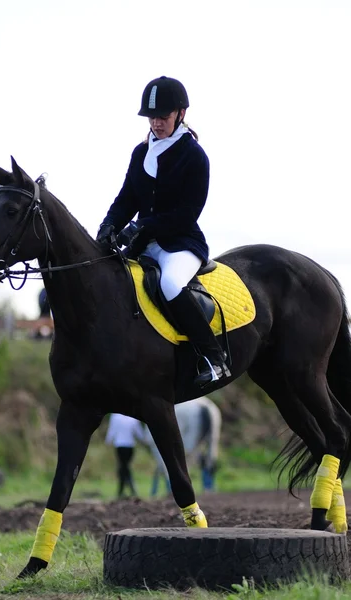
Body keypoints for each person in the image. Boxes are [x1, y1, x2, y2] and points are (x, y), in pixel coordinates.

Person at [96, 75, 231, 387]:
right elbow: (126, 198)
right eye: (152, 117)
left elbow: (187, 214)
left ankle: (213, 356)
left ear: (181, 114)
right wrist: (108, 226)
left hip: (181, 244)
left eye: (163, 117)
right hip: (143, 244)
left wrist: (142, 226)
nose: (156, 123)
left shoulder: (195, 157)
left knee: (170, 283)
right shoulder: (140, 153)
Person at [105, 413, 145, 498]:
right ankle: (130, 489)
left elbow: (112, 430)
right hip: (128, 446)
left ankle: (122, 490)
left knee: (123, 467)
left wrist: (108, 441)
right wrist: (143, 440)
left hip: (121, 445)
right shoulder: (131, 417)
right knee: (125, 467)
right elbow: (138, 432)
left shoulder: (115, 417)